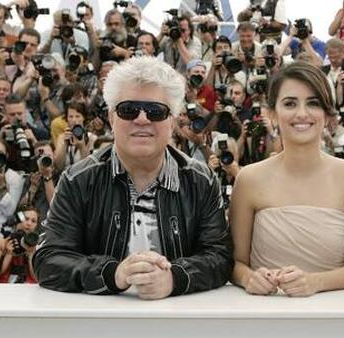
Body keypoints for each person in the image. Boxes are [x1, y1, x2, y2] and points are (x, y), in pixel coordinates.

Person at [33, 56, 233, 299]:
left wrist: (174, 278)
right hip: (98, 323)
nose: (141, 119)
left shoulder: (201, 181)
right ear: (111, 118)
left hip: (180, 323)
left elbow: (220, 257)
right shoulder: (78, 179)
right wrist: (113, 274)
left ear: (172, 122)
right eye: (128, 110)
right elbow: (48, 259)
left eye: (155, 112)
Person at [229, 61, 344, 297]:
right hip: (263, 313)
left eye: (313, 103)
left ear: (327, 115)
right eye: (290, 103)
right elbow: (236, 263)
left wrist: (315, 282)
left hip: (335, 316)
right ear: (273, 114)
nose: (302, 114)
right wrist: (249, 278)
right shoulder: (249, 178)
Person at [0, 205, 39, 283]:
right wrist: (9, 254)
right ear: (17, 220)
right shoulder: (1, 242)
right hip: (4, 288)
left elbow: (37, 278)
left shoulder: (37, 245)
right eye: (26, 219)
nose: (29, 223)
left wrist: (31, 255)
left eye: (33, 221)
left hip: (29, 289)